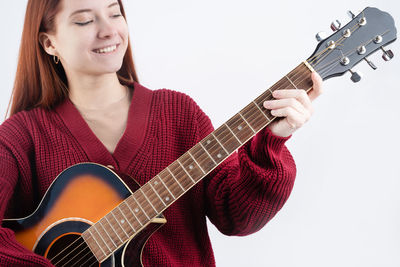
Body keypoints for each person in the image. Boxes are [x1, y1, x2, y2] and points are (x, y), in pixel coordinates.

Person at [0, 0, 323, 266]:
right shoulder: (22, 136)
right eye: (85, 21)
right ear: (49, 42)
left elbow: (239, 219)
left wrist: (273, 140)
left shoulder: (178, 113)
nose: (109, 30)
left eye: (115, 13)